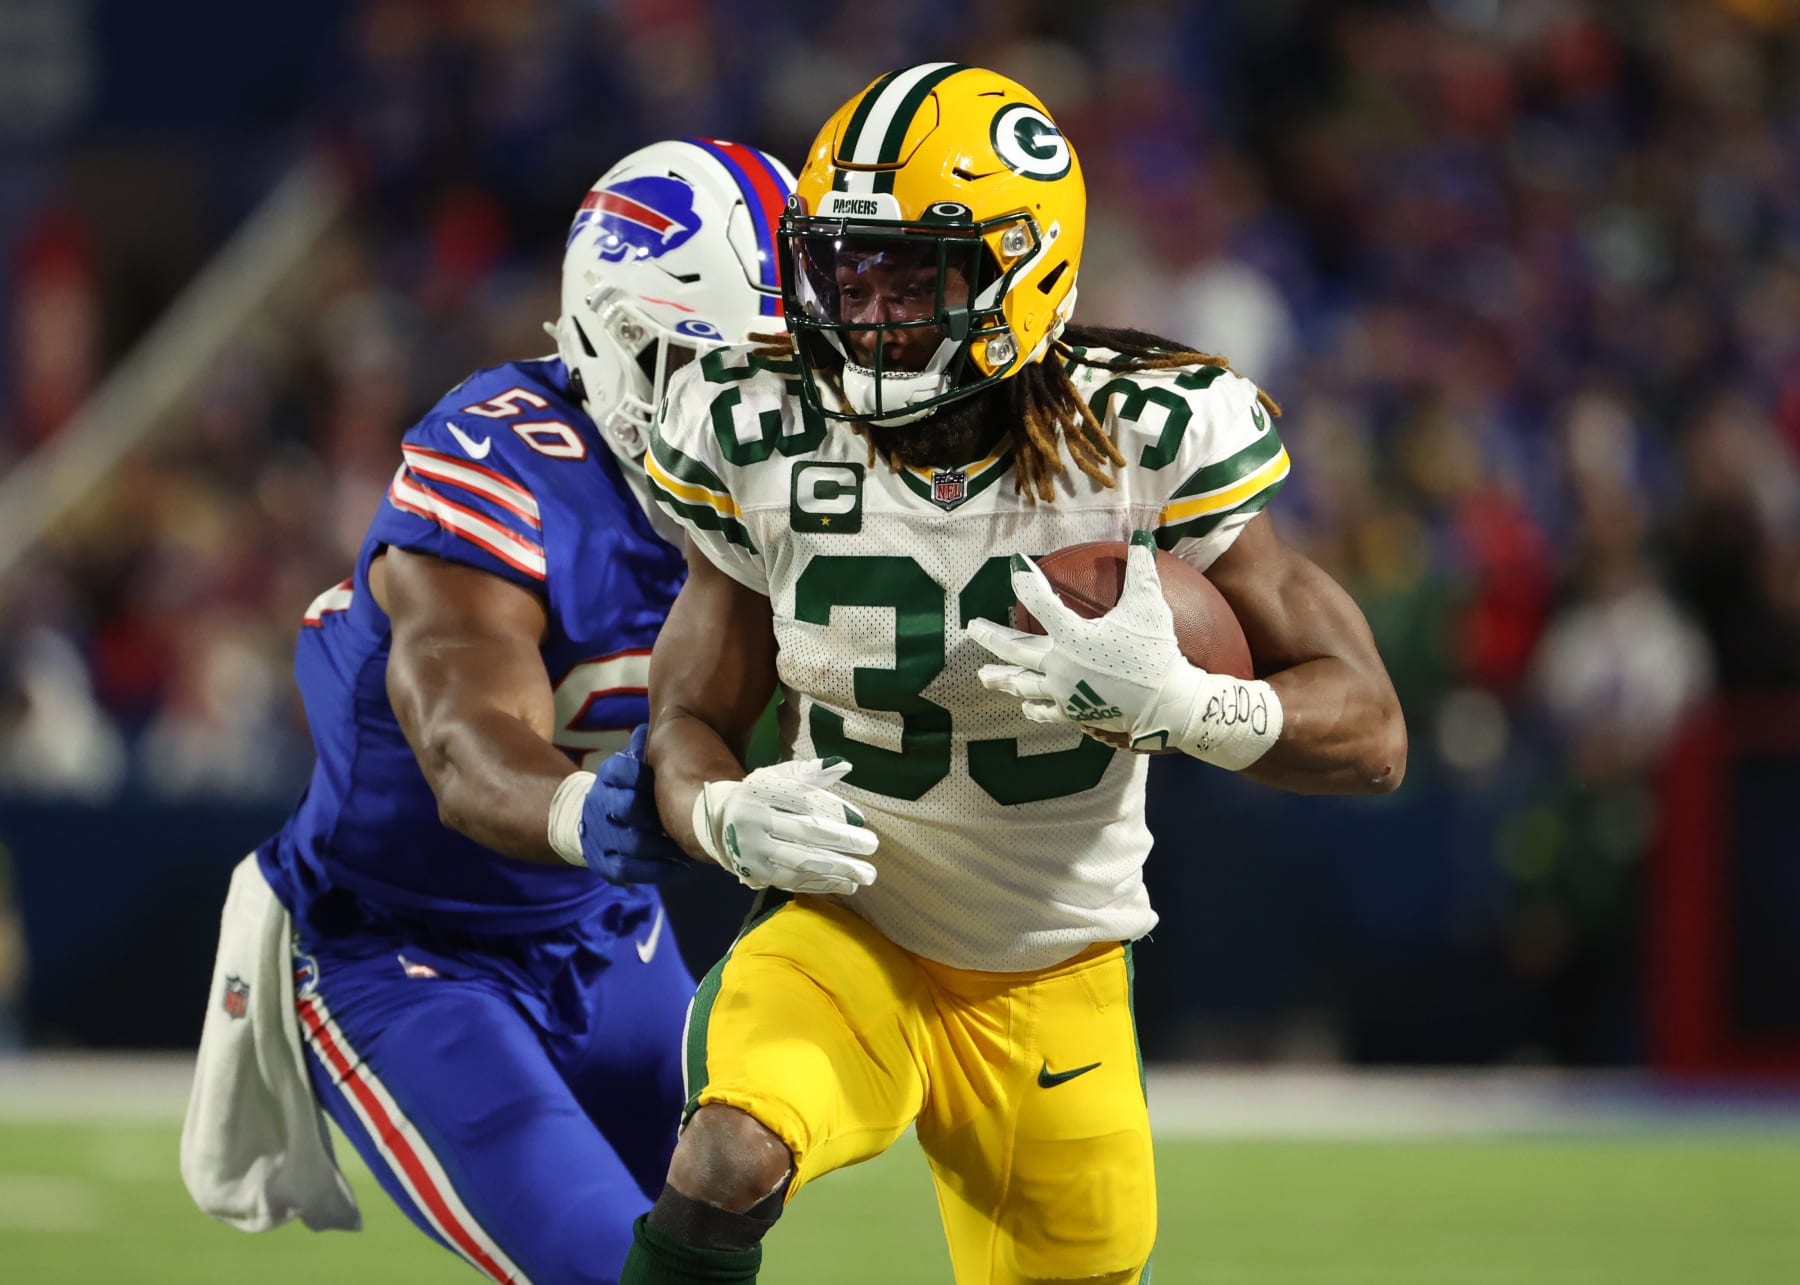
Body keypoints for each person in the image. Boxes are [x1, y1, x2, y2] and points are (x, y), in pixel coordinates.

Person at [623, 64, 1407, 1285]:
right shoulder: (756, 422)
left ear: (1022, 268)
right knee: (728, 1152)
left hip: (1056, 963)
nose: (869, 309)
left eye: (913, 273)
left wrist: (1191, 706)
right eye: (846, 266)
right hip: (849, 933)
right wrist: (718, 810)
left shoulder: (1142, 434)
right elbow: (686, 718)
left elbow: (1372, 730)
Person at [181, 138, 797, 1285]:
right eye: (727, 366)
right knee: (604, 1267)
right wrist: (581, 813)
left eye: (785, 369)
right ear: (620, 338)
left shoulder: (783, 477)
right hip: (408, 945)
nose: (763, 409)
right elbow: (466, 749)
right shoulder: (499, 460)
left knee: (717, 1227)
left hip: (605, 931)